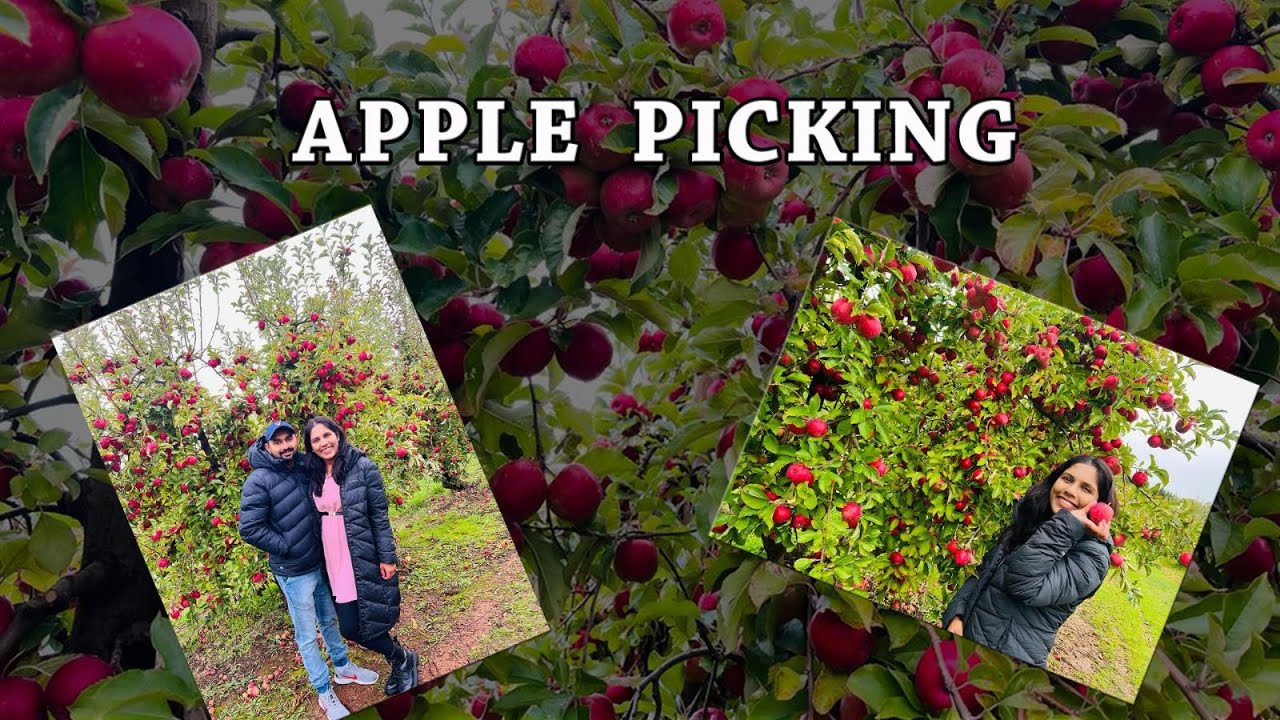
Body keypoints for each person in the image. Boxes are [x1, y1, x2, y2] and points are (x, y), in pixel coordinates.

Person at [238, 421, 381, 720]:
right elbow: (249, 528)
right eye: (278, 442)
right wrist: (287, 544)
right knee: (306, 635)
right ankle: (323, 690)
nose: (286, 445)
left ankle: (343, 668)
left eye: (289, 438)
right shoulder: (258, 481)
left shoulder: (303, 465)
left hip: (319, 561)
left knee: (329, 619)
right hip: (293, 570)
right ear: (266, 446)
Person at [941, 455, 1117, 669]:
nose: (1071, 490)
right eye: (1067, 479)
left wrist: (1066, 525)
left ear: (1101, 504)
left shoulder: (1092, 557)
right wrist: (957, 615)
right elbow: (983, 573)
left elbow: (1023, 585)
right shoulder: (1035, 521)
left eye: (1086, 489)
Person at [302, 416, 420, 696]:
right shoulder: (313, 473)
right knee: (351, 625)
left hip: (360, 550)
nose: (323, 443)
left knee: (360, 622)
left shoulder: (362, 467)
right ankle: (402, 657)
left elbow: (379, 517)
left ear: (338, 434)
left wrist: (387, 557)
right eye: (315, 440)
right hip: (332, 555)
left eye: (326, 435)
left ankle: (401, 658)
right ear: (310, 447)